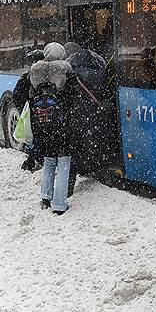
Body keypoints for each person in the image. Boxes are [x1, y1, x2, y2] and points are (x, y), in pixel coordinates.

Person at [29, 42, 75, 215]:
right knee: (63, 163)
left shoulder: (35, 72)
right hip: (61, 125)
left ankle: (45, 197)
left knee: (49, 160)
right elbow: (73, 97)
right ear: (62, 54)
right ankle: (59, 205)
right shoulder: (66, 71)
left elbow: (29, 97)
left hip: (42, 125)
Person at [67, 42, 115, 194]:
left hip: (78, 117)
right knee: (99, 144)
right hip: (97, 115)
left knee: (76, 150)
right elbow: (107, 93)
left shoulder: (72, 74)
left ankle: (69, 185)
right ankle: (103, 175)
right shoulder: (99, 73)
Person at [13, 49, 45, 172]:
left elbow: (17, 95)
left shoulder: (28, 76)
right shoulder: (47, 75)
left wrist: (25, 108)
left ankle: (33, 160)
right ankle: (36, 160)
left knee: (33, 136)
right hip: (43, 112)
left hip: (33, 112)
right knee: (39, 137)